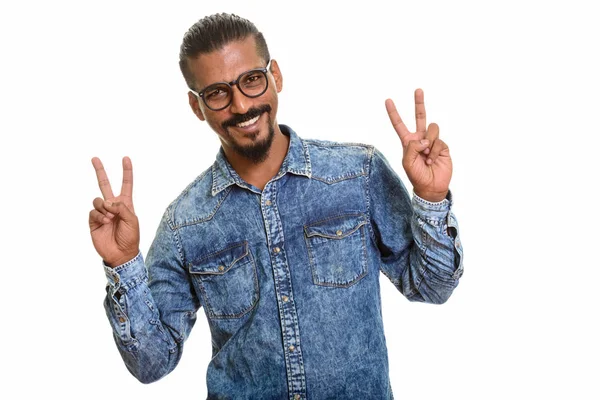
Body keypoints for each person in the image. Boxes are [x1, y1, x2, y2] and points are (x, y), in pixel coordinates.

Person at [88, 12, 463, 400]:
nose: (241, 105)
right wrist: (123, 265)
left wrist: (431, 199)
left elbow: (432, 287)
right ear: (196, 106)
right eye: (217, 92)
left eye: (252, 80)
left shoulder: (358, 175)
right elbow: (152, 364)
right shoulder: (185, 223)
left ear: (275, 76)